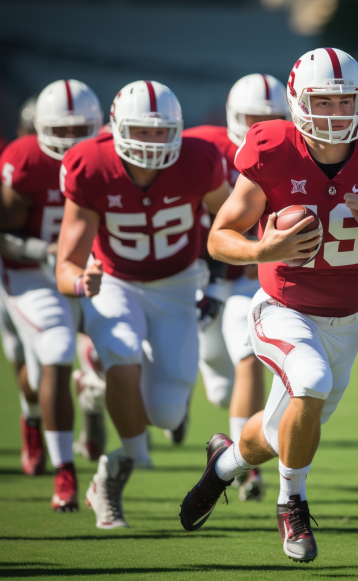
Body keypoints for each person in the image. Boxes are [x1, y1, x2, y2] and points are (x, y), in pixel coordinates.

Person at [179, 47, 358, 563]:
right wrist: (262, 251)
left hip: (349, 316)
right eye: (325, 102)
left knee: (278, 432)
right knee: (311, 381)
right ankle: (290, 504)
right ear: (297, 102)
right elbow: (219, 237)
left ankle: (223, 465)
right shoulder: (272, 149)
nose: (338, 115)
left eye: (347, 103)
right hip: (282, 307)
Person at [56, 80, 229, 529]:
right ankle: (122, 464)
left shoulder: (200, 159)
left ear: (178, 129)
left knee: (167, 413)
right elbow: (66, 266)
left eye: (161, 131)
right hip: (116, 281)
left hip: (178, 283)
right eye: (141, 131)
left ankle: (103, 408)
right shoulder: (91, 164)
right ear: (115, 129)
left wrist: (218, 286)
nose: (152, 142)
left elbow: (232, 224)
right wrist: (82, 282)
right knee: (123, 351)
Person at [183, 73, 288, 501]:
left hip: (248, 275)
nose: (260, 126)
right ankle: (224, 431)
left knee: (247, 353)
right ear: (232, 116)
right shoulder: (201, 147)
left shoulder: (293, 150)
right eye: (251, 117)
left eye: (271, 117)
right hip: (200, 272)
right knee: (219, 386)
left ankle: (244, 468)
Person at [0, 79, 102, 509]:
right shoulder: (24, 160)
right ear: (39, 128)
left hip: (91, 272)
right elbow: (3, 232)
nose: (70, 139)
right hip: (30, 276)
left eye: (80, 129)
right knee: (32, 361)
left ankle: (87, 416)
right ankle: (38, 429)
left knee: (105, 348)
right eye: (60, 130)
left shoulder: (109, 157)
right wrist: (43, 251)